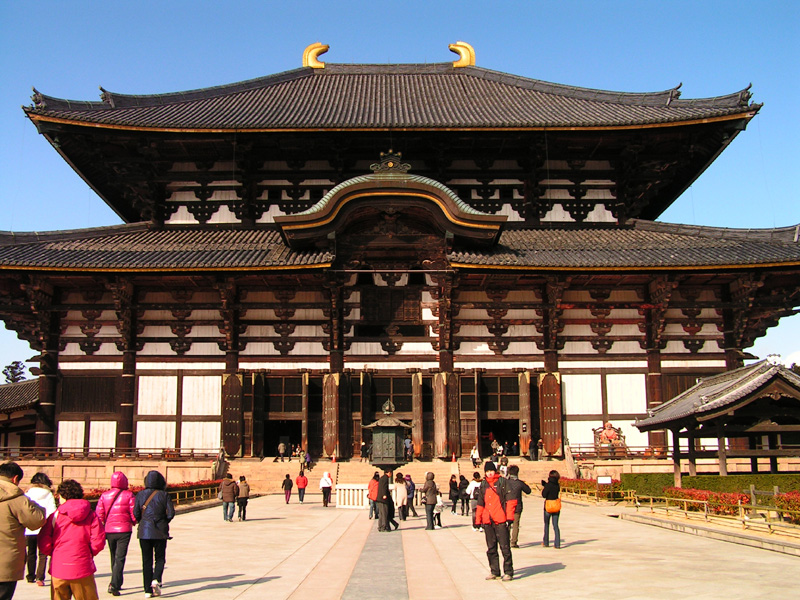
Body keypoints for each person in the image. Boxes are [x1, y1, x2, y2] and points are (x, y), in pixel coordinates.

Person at [38, 479, 105, 600]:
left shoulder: (55, 516)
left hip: (59, 568)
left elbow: (44, 542)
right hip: (82, 567)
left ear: (63, 496)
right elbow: (98, 541)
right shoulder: (91, 515)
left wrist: (54, 553)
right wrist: (88, 553)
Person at [0, 461, 46, 600]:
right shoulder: (16, 498)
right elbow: (36, 520)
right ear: (15, 479)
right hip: (5, 563)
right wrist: (36, 505)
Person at [134, 470, 175, 598]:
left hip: (144, 532)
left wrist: (143, 522)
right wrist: (164, 521)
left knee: (146, 561)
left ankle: (147, 590)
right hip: (159, 531)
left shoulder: (140, 495)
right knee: (160, 558)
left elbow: (135, 513)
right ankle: (156, 579)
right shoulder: (164, 495)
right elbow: (171, 513)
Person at [95, 471, 136, 596]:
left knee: (114, 556)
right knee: (120, 557)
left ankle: (117, 581)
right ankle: (114, 584)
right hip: (124, 530)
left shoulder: (104, 496)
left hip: (109, 530)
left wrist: (103, 524)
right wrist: (133, 522)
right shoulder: (129, 495)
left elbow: (99, 514)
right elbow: (134, 513)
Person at [475, 461, 516, 582]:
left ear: (495, 471)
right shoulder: (483, 485)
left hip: (501, 519)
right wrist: (478, 519)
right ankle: (494, 571)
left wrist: (509, 517)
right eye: (487, 471)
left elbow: (511, 501)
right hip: (488, 520)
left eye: (491, 471)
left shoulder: (503, 482)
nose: (489, 473)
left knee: (505, 547)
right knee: (491, 547)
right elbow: (480, 504)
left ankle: (508, 571)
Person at [24, 472, 57, 586]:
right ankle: (40, 577)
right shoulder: (48, 494)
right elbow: (52, 511)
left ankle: (30, 576)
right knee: (43, 554)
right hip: (43, 527)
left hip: (30, 527)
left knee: (31, 552)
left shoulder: (27, 493)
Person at [506, 465, 531, 549]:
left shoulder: (505, 482)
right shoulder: (520, 483)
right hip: (517, 506)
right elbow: (528, 491)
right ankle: (513, 542)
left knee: (507, 524)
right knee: (516, 524)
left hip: (507, 506)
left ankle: (506, 541)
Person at [541, 470, 561, 549]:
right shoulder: (557, 485)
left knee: (546, 524)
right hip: (555, 505)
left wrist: (545, 486)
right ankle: (557, 544)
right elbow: (554, 490)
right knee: (555, 525)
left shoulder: (548, 485)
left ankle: (546, 542)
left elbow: (544, 494)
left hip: (548, 506)